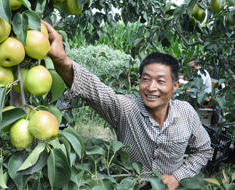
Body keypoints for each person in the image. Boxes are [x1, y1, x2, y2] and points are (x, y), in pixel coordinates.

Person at [41, 21, 213, 190]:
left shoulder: (186, 112)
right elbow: (93, 89)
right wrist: (61, 59)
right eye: (146, 79)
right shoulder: (127, 109)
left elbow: (204, 150)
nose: (151, 87)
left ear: (175, 86)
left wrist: (177, 177)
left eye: (160, 81)